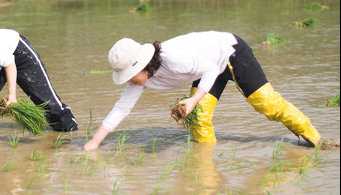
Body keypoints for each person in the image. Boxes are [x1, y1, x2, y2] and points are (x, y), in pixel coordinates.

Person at [83, 31, 321, 151]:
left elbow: (209, 69)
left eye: (128, 75)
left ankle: (316, 140)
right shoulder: (140, 80)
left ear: (143, 65)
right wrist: (93, 143)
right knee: (198, 121)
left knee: (267, 104)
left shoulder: (172, 59)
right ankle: (205, 164)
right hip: (207, 68)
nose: (129, 81)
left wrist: (194, 99)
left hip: (231, 54)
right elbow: (122, 108)